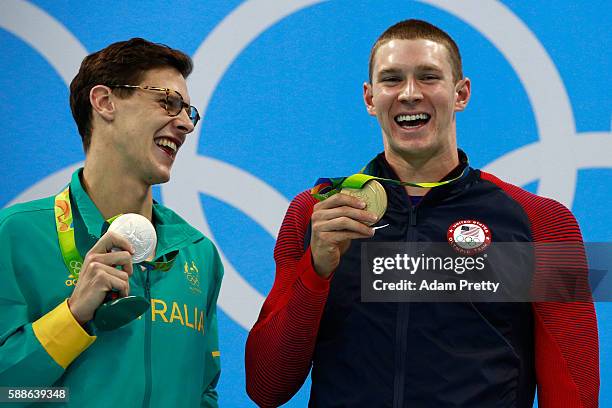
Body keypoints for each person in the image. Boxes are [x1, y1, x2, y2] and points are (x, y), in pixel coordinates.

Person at [245, 19, 599, 407]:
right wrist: (316, 271)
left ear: (461, 93)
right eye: (392, 80)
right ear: (369, 98)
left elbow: (574, 392)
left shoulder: (542, 222)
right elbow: (266, 386)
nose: (410, 94)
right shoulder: (319, 211)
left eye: (429, 77)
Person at [0, 38, 223, 407]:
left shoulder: (197, 253)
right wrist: (72, 318)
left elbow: (203, 391)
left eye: (189, 112)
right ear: (105, 102)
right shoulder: (16, 235)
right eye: (168, 102)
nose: (185, 124)